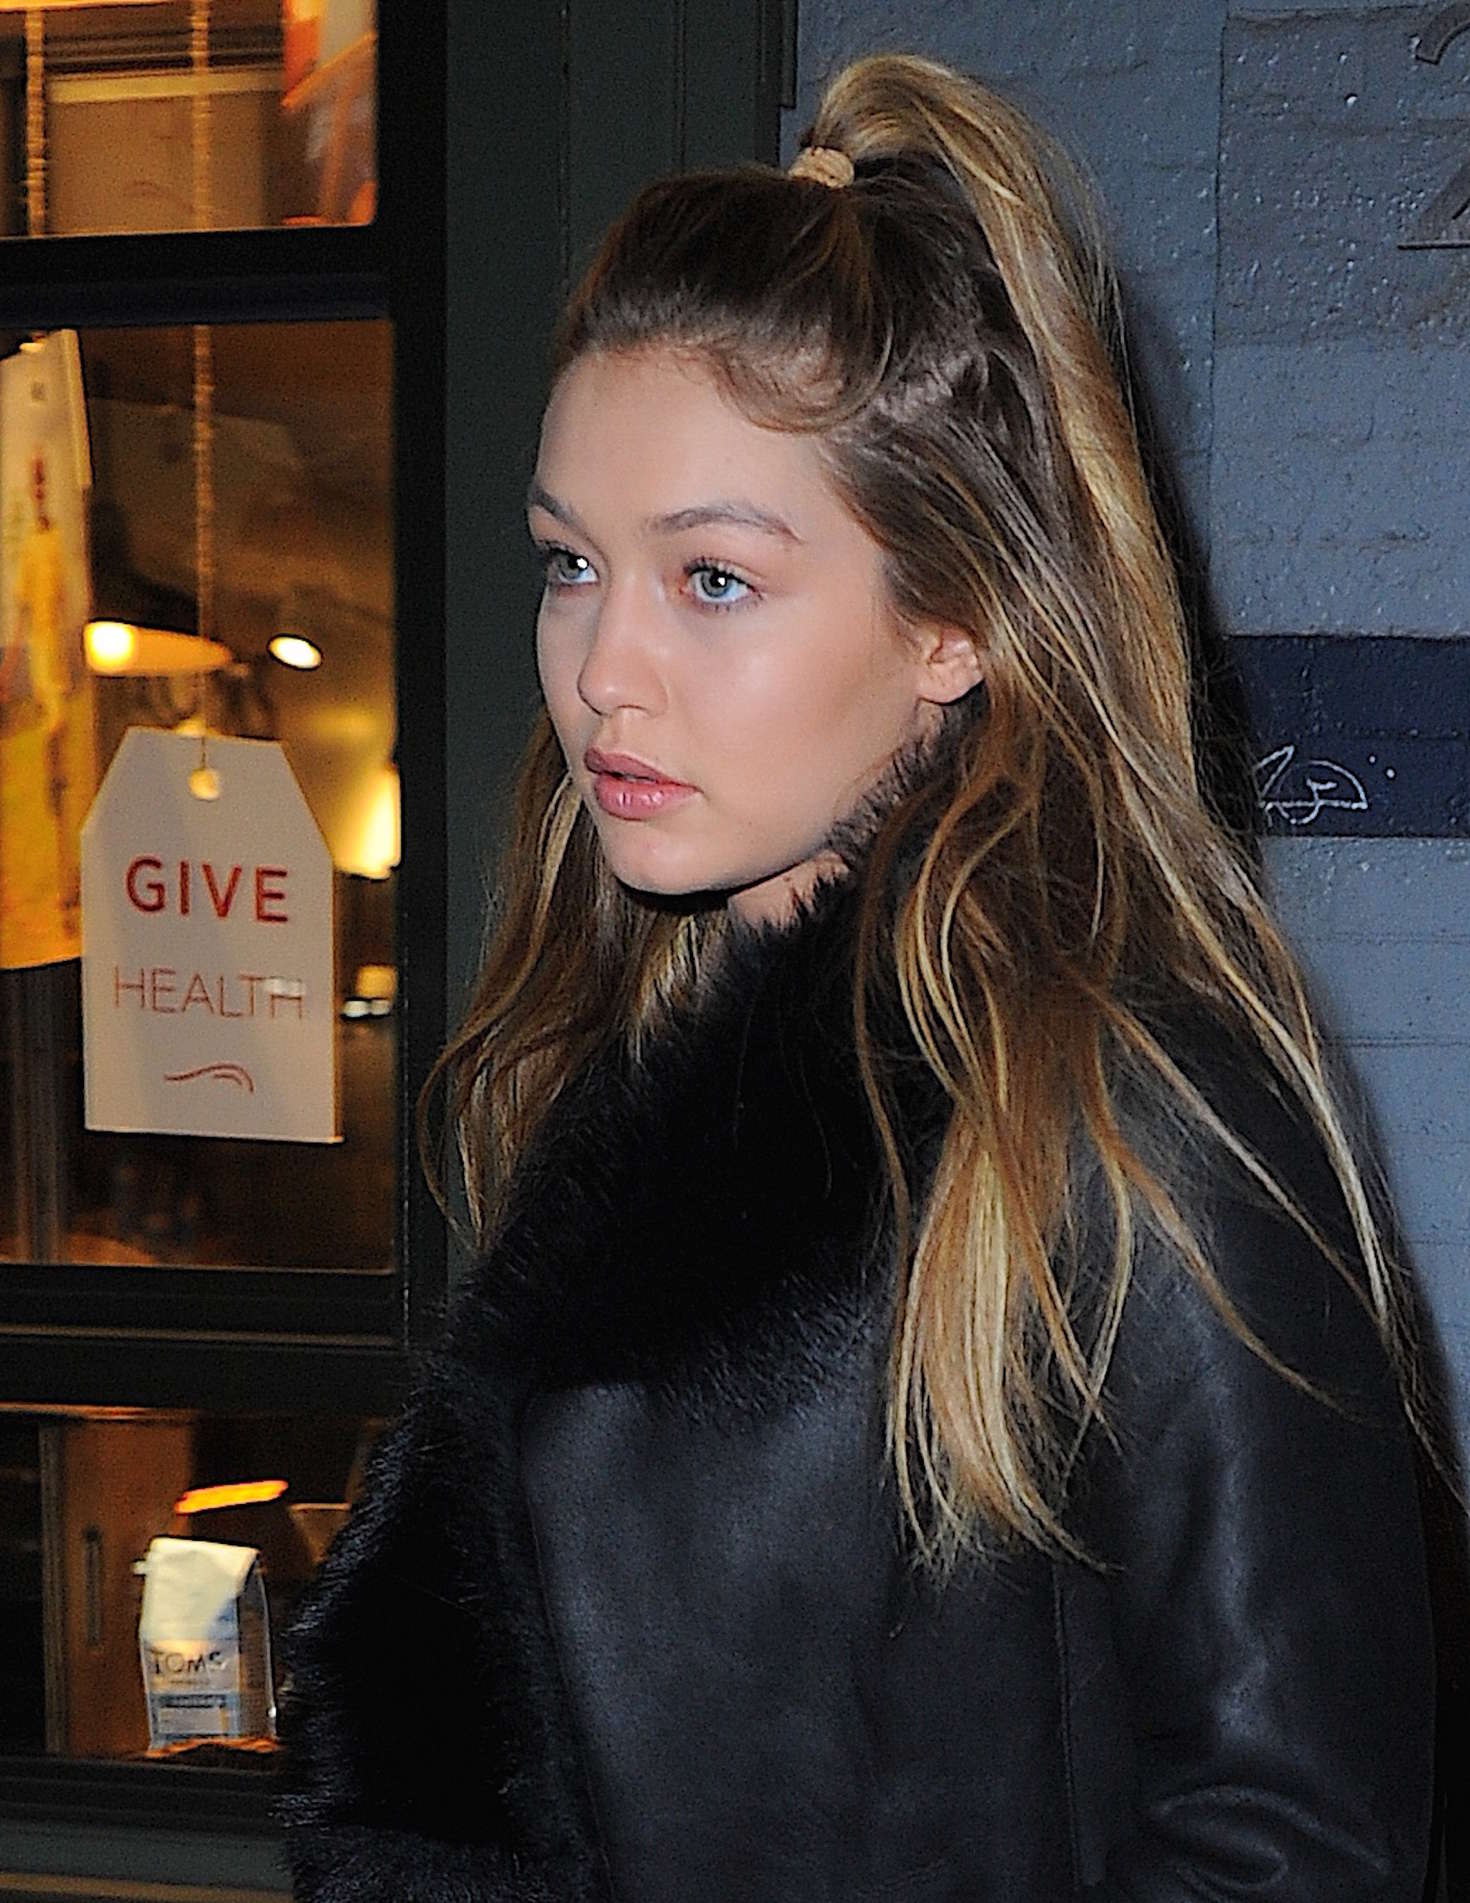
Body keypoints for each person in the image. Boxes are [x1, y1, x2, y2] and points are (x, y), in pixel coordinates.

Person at [275, 52, 1436, 1902]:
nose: (602, 670)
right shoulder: (606, 1066)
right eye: (568, 565)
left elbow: (1301, 1843)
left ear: (953, 620)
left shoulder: (1130, 1116)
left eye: (713, 580)